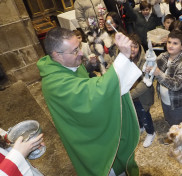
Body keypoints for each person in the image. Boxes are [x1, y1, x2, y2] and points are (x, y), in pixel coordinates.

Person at [36, 27, 141, 176]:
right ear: (56, 55)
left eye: (78, 46)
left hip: (92, 121)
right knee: (106, 168)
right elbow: (93, 93)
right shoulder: (54, 84)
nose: (80, 52)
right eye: (74, 51)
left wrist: (90, 66)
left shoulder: (66, 64)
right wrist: (123, 56)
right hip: (87, 137)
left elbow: (85, 84)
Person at [149, 30, 182, 129]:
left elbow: (176, 85)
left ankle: (177, 136)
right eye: (169, 42)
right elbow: (153, 65)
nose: (171, 45)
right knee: (168, 117)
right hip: (164, 99)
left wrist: (159, 73)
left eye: (175, 43)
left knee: (176, 124)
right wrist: (149, 68)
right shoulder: (163, 56)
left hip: (177, 102)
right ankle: (171, 125)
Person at [128, 34, 156, 148]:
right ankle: (141, 126)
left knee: (144, 114)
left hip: (141, 96)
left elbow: (145, 83)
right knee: (135, 113)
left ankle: (151, 132)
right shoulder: (125, 58)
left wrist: (129, 95)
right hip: (129, 94)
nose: (132, 49)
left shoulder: (147, 61)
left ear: (140, 47)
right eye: (129, 46)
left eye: (135, 46)